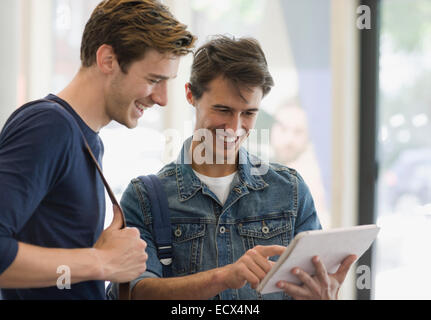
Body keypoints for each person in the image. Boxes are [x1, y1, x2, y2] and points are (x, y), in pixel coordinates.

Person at [108, 36, 356, 300]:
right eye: (223, 110)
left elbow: (310, 287)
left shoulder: (290, 191)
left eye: (248, 113)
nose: (235, 128)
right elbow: (135, 294)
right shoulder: (144, 197)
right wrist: (223, 277)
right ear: (191, 95)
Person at [0, 0, 196, 300]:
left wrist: (94, 258)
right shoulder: (49, 126)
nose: (162, 99)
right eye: (154, 80)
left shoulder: (85, 138)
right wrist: (102, 262)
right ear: (107, 60)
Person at [270, 101, 330, 228]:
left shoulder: (310, 179)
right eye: (283, 128)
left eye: (298, 131)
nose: (289, 140)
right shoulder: (258, 169)